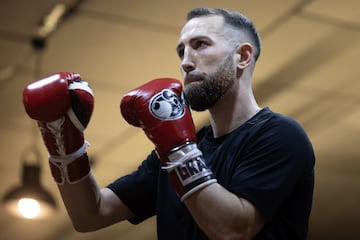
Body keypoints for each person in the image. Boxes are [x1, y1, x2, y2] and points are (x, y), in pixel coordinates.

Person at [22, 7, 315, 240]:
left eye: (199, 45)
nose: (186, 62)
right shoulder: (179, 148)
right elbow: (90, 215)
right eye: (181, 51)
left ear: (243, 56)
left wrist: (177, 149)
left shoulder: (280, 135)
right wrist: (64, 142)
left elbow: (231, 231)